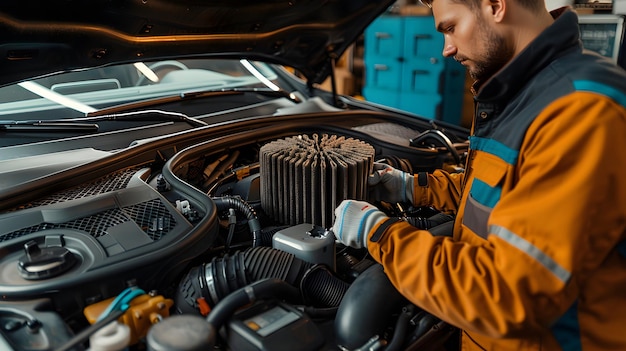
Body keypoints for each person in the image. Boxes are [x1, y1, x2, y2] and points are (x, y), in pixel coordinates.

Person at [331, 0, 626, 349]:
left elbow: (508, 294)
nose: (446, 49)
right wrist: (413, 188)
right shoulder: (523, 91)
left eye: (451, 28)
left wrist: (380, 235)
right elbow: (494, 191)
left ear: (495, 5)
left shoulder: (581, 113)